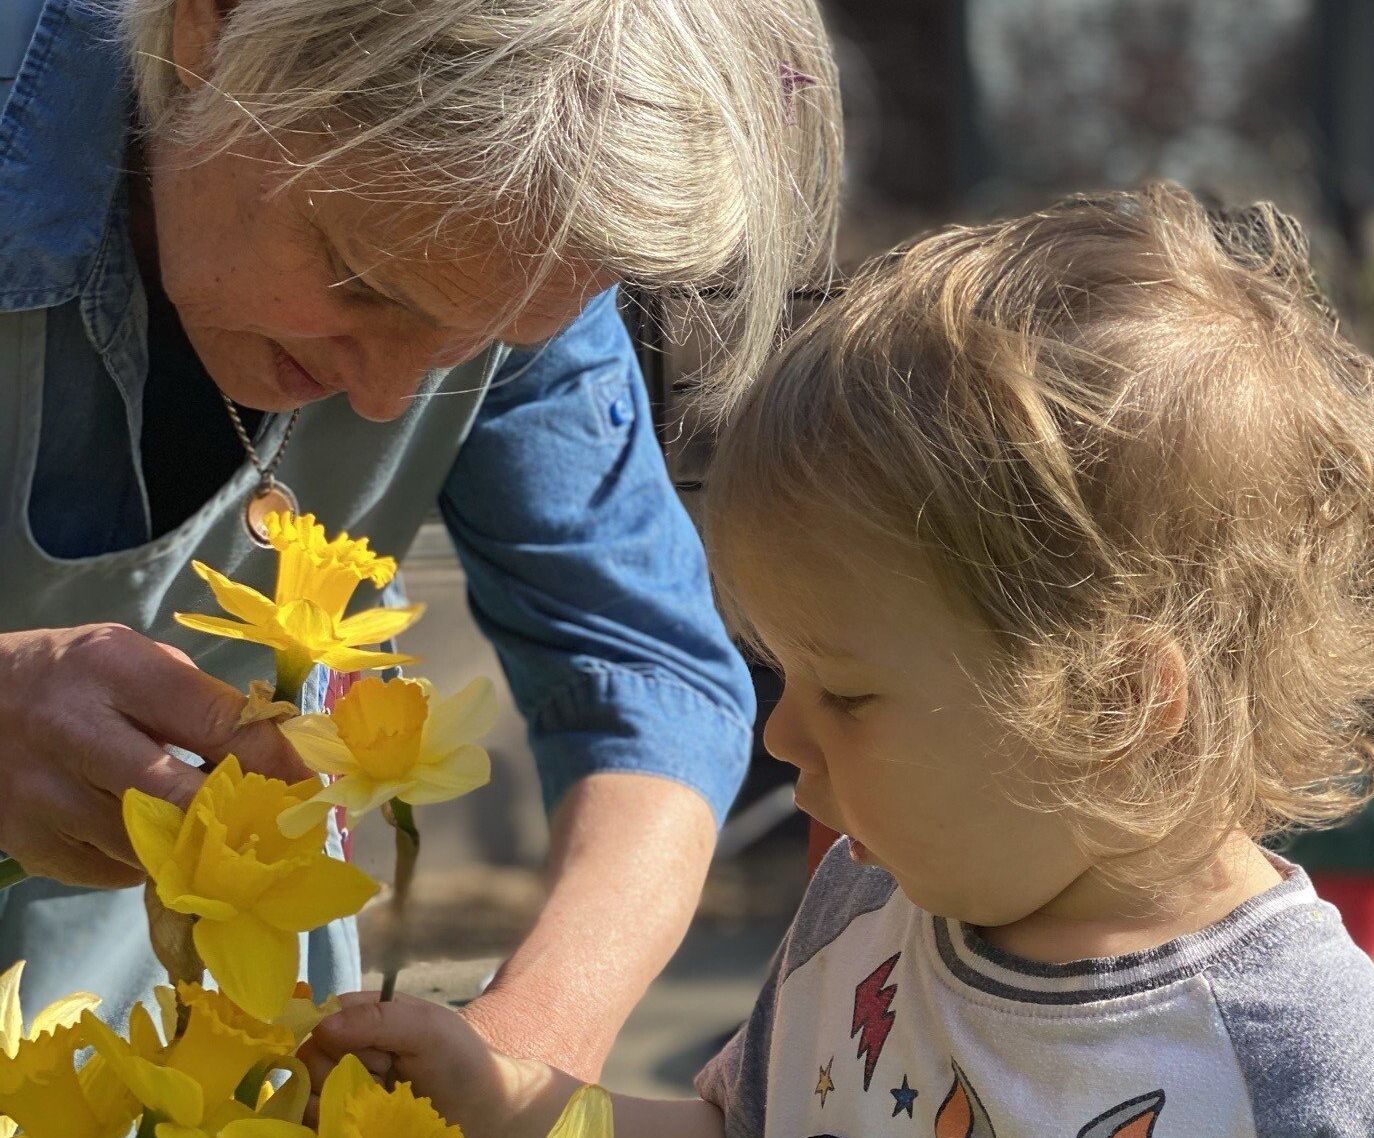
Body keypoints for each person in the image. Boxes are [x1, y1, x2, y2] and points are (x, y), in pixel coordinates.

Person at [304, 185, 1374, 1136]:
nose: (778, 736)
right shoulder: (864, 918)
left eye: (847, 691)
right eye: (786, 676)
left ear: (1118, 703)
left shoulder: (1315, 1082)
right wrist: (519, 1102)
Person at [0, 0, 840, 1079]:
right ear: (205, 36)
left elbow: (651, 675)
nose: (395, 396)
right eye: (360, 281)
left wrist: (524, 1055)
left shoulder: (507, 235)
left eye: (479, 341)